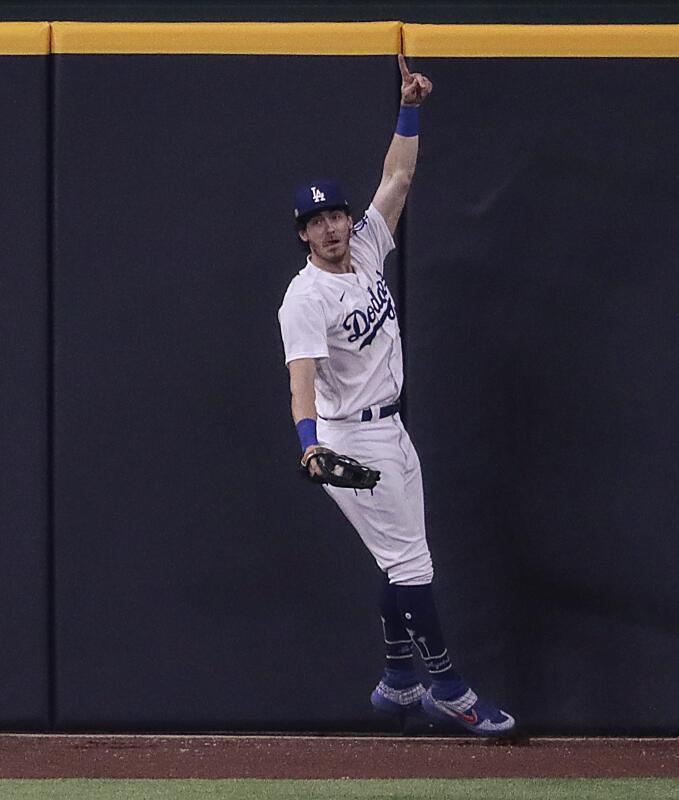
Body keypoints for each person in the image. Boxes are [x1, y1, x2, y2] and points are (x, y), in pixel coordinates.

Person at [276, 55, 515, 737]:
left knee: (399, 558)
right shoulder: (306, 295)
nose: (331, 228)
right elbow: (300, 380)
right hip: (350, 436)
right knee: (411, 562)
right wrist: (310, 444)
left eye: (336, 215)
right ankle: (448, 686)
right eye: (316, 222)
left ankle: (397, 679)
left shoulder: (369, 245)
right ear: (301, 234)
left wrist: (410, 107)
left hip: (391, 430)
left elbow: (399, 175)